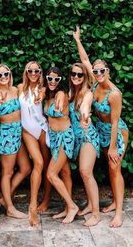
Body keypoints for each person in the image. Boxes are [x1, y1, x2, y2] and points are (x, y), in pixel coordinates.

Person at [73, 26, 129, 227]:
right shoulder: (95, 83)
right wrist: (78, 40)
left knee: (114, 169)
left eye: (101, 71)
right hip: (102, 131)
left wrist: (113, 146)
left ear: (108, 71)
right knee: (109, 167)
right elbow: (86, 60)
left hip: (116, 132)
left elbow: (115, 122)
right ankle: (114, 201)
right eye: (95, 71)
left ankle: (119, 212)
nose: (97, 73)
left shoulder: (114, 94)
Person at [0, 64, 29, 219]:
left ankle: (4, 199)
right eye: (0, 75)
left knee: (26, 168)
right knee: (7, 172)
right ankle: (10, 207)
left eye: (6, 74)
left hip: (19, 131)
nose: (3, 77)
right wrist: (0, 100)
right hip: (7, 134)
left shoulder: (16, 89)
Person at [18, 61, 51, 226]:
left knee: (46, 166)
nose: (33, 73)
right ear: (26, 72)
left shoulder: (43, 89)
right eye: (29, 70)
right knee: (38, 162)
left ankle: (46, 199)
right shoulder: (19, 88)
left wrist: (40, 96)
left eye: (36, 70)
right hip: (28, 132)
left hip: (43, 130)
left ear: (40, 72)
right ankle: (32, 205)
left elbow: (42, 96)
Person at [45, 67, 79, 224]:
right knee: (65, 172)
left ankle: (72, 207)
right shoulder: (47, 95)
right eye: (50, 78)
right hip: (54, 138)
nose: (52, 81)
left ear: (60, 81)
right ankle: (66, 208)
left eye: (56, 79)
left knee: (51, 174)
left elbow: (59, 105)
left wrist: (58, 105)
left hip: (64, 137)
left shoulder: (60, 94)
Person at [69, 62, 101, 226]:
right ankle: (90, 204)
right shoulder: (70, 93)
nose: (76, 77)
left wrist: (85, 116)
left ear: (85, 77)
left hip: (88, 136)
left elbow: (85, 106)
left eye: (79, 75)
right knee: (85, 173)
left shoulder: (87, 93)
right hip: (77, 139)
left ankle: (96, 214)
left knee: (85, 171)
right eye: (73, 74)